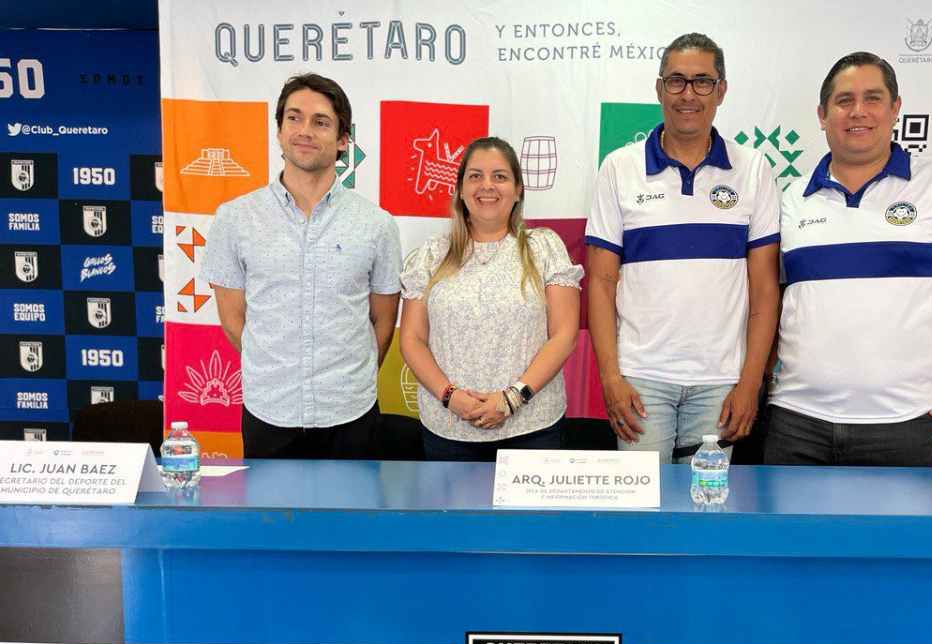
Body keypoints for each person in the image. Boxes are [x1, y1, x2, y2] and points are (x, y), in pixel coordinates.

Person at [765, 52, 932, 467]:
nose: (859, 112)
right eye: (844, 100)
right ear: (822, 114)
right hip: (796, 422)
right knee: (794, 536)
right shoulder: (788, 198)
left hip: (906, 423)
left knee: (897, 537)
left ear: (895, 109)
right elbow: (765, 303)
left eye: (873, 99)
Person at [584, 32, 780, 464]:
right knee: (643, 517)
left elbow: (765, 288)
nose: (688, 94)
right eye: (676, 81)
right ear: (659, 89)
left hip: (722, 381)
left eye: (702, 81)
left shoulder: (753, 170)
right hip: (641, 380)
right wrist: (611, 378)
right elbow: (600, 282)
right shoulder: (619, 168)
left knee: (706, 514)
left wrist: (751, 383)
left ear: (721, 90)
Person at [203, 73, 402, 459]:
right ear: (279, 131)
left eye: (321, 122)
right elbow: (233, 320)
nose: (305, 131)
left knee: (351, 520)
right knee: (272, 521)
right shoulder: (235, 218)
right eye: (294, 118)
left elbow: (383, 322)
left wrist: (344, 377)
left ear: (344, 140)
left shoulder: (377, 224)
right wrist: (278, 367)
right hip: (268, 412)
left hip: (351, 414)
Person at [398, 137, 582, 461]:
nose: (487, 186)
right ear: (459, 189)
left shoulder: (545, 248)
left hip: (533, 430)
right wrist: (450, 396)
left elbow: (564, 335)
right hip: (449, 430)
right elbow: (412, 339)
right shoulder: (430, 255)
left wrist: (512, 398)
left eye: (499, 176)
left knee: (527, 517)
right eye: (475, 176)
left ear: (518, 189)